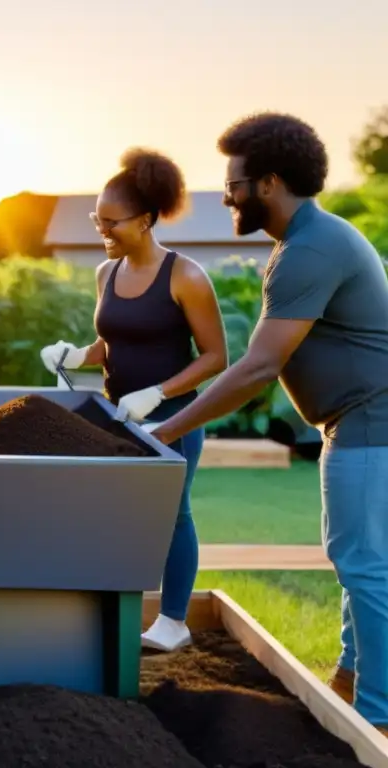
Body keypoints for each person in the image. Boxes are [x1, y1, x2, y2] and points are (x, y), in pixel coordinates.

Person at [151, 112, 388, 732]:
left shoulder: (310, 249)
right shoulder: (307, 240)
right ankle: (350, 679)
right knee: (356, 560)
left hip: (371, 420)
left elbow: (257, 368)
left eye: (233, 183)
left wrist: (166, 431)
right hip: (358, 422)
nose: (226, 194)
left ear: (268, 184)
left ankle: (378, 716)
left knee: (363, 565)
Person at [39, 148, 228, 652]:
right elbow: (111, 344)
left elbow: (216, 358)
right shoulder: (107, 274)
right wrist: (76, 353)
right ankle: (106, 612)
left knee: (173, 514)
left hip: (174, 417)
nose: (101, 231)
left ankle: (173, 621)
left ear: (145, 220)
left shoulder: (185, 277)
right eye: (95, 220)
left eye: (110, 222)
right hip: (116, 417)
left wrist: (159, 393)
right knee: (112, 512)